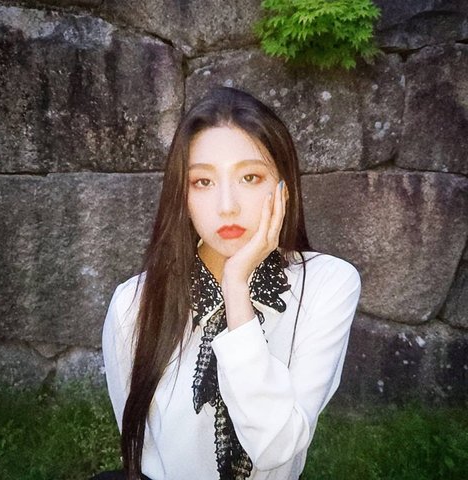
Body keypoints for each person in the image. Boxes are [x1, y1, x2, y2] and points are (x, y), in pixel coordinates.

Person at [95, 87, 361, 480]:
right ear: (182, 195)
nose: (227, 206)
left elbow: (276, 448)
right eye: (202, 181)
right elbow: (143, 446)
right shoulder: (133, 303)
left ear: (284, 187)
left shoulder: (327, 284)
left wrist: (236, 288)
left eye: (250, 177)